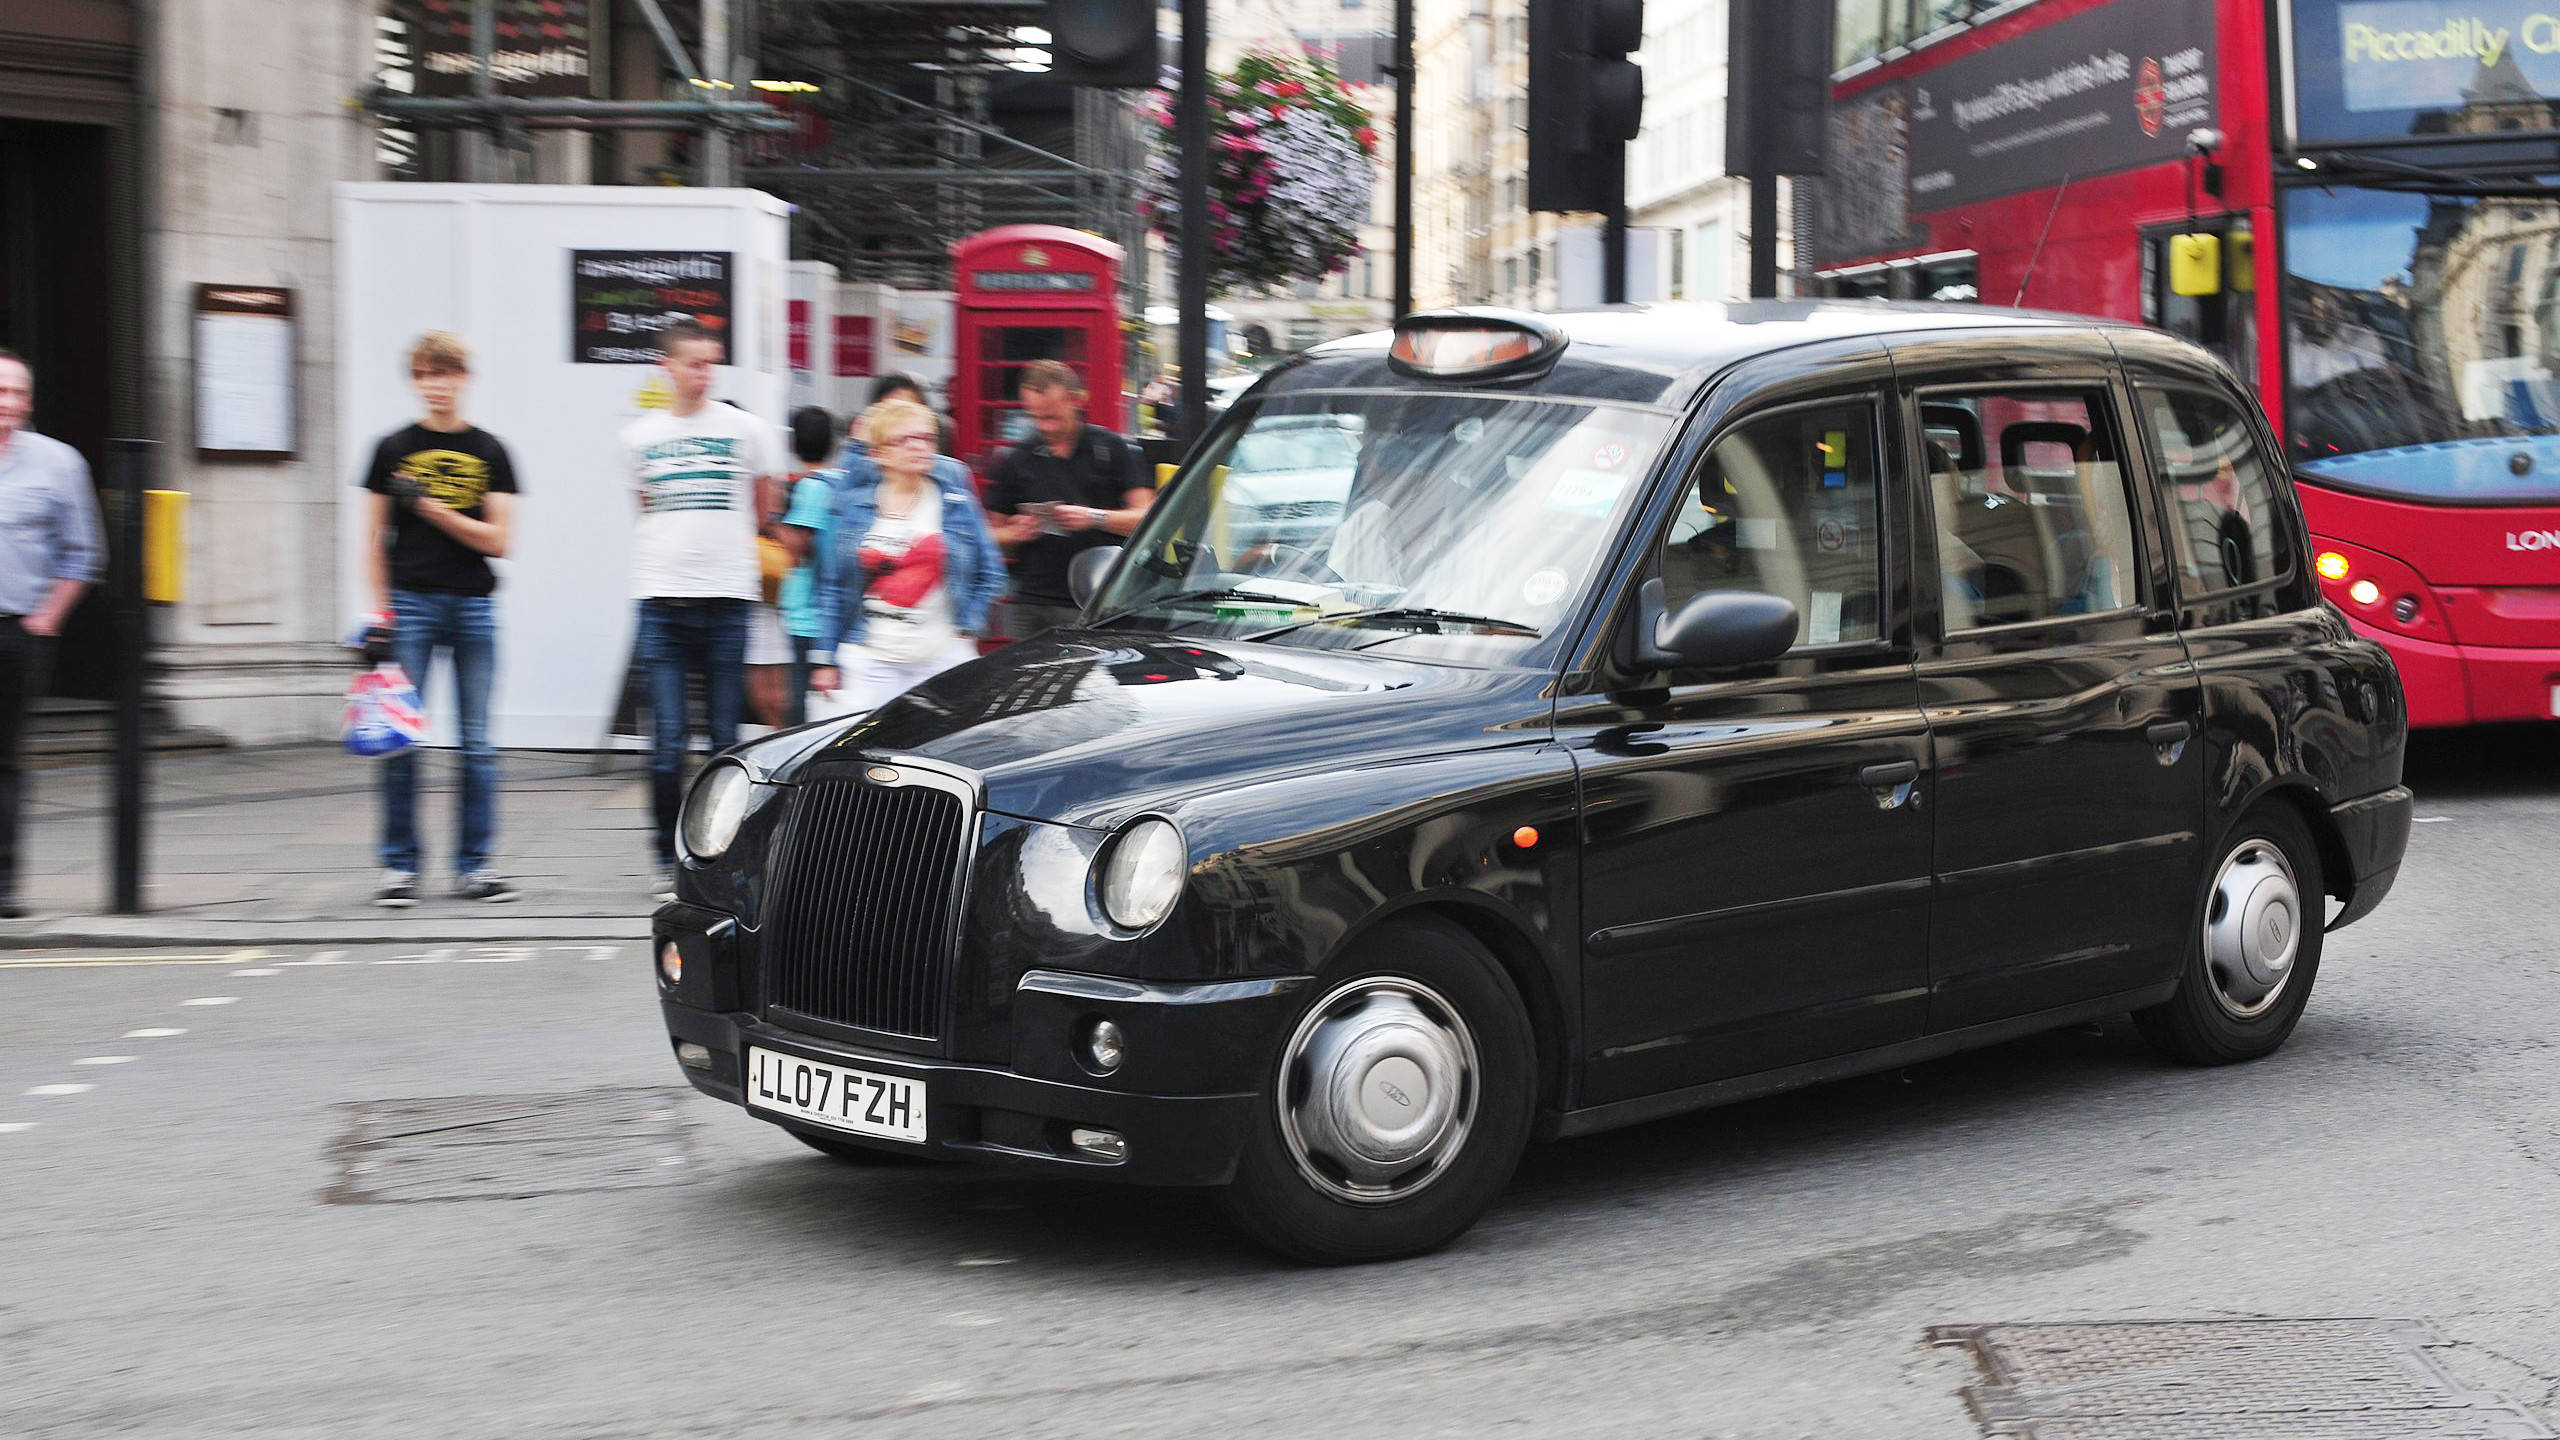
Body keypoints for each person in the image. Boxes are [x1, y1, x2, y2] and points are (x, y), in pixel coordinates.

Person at [357, 332, 521, 906]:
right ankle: (399, 868)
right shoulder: (390, 448)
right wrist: (380, 613)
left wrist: (427, 506)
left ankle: (473, 867)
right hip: (412, 606)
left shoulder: (491, 451)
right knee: (402, 740)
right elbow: (375, 540)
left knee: (478, 744)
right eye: (427, 375)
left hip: (474, 606)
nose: (438, 385)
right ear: (415, 382)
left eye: (447, 374)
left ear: (464, 379)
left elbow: (499, 540)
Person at [621, 320, 783, 897]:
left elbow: (764, 503)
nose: (703, 373)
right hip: (661, 602)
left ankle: (721, 857)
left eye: (710, 363)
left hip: (726, 601)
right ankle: (662, 851)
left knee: (722, 739)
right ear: (666, 366)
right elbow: (644, 504)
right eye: (692, 363)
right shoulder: (638, 437)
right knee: (666, 741)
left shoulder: (746, 430)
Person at [811, 398, 1006, 713]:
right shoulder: (854, 507)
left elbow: (991, 573)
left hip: (942, 657)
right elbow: (832, 586)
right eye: (904, 440)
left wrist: (966, 625)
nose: (919, 447)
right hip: (870, 659)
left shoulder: (956, 504)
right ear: (878, 454)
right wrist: (824, 659)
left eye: (926, 438)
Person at [0, 349, 103, 921]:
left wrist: (47, 618)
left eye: (15, 392)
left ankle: (3, 884)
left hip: (16, 632)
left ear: (29, 400)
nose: (6, 402)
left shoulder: (58, 464)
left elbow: (83, 553)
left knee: (5, 762)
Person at [984, 359, 1155, 639]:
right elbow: (991, 533)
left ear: (1075, 401)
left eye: (1052, 417)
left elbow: (1148, 519)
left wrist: (1093, 517)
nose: (1045, 427)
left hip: (1098, 599)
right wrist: (1015, 533)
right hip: (1031, 601)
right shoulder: (1017, 458)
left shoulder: (1111, 448)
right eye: (1035, 417)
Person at [771, 405, 844, 727]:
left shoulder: (811, 487)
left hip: (808, 613)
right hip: (834, 611)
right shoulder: (841, 482)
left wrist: (772, 519)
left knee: (804, 707)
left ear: (793, 444)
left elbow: (799, 546)